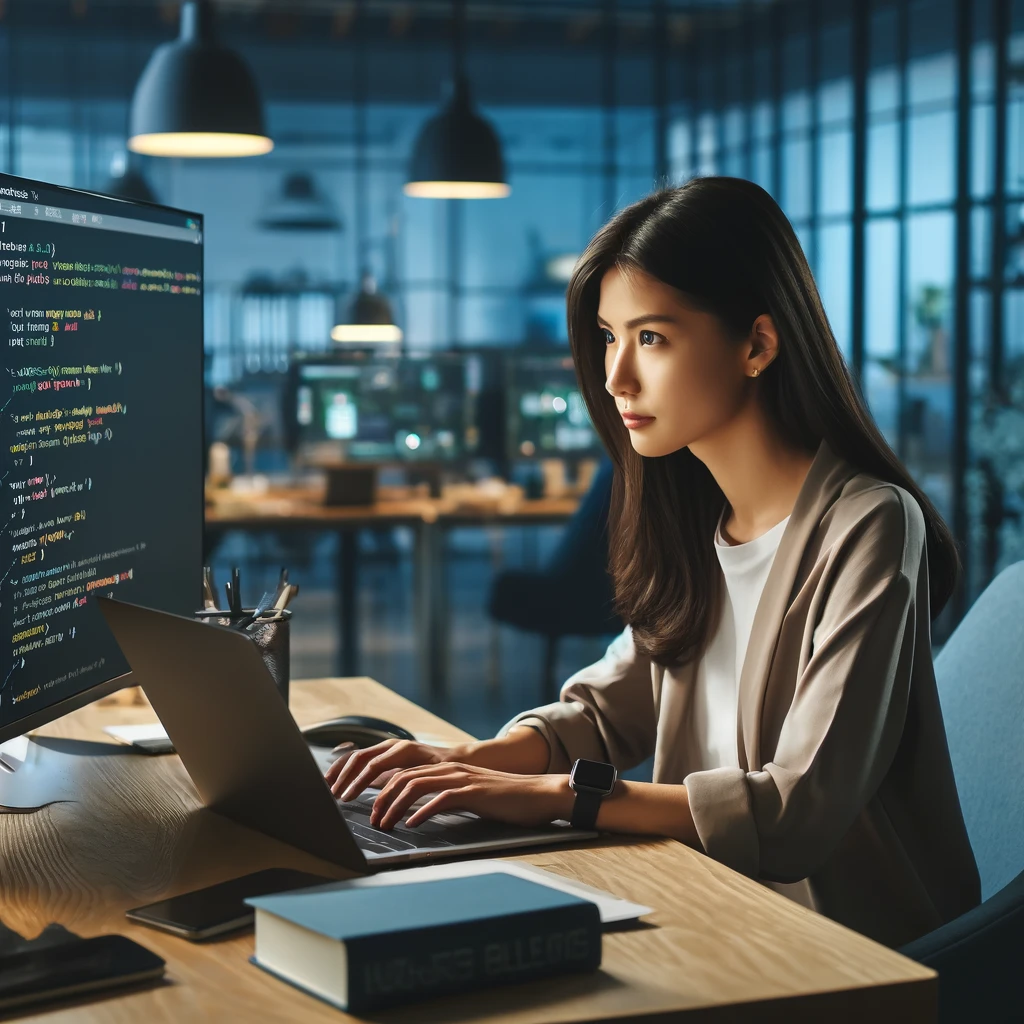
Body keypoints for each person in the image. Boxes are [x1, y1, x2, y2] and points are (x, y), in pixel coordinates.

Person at [325, 177, 980, 948]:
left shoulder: (867, 524)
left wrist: (551, 796)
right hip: (709, 908)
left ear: (758, 344)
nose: (615, 378)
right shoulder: (696, 514)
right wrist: (470, 760)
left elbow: (796, 812)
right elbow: (611, 710)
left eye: (652, 338)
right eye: (609, 336)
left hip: (839, 947)